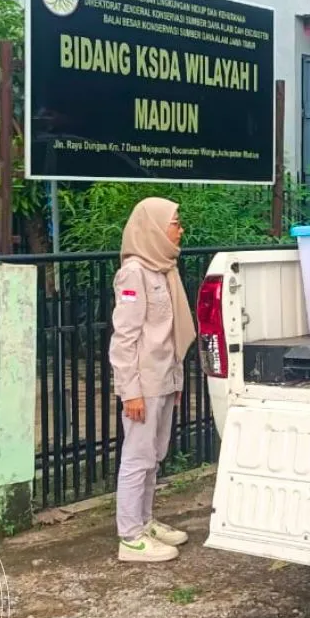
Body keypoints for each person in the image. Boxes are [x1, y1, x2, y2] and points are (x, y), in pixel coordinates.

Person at [109, 197, 196, 563]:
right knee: (138, 456)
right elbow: (125, 337)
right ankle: (130, 537)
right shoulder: (134, 272)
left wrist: (176, 380)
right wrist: (130, 391)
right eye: (174, 223)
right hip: (143, 384)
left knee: (155, 455)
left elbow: (169, 334)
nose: (180, 230)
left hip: (164, 378)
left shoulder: (163, 268)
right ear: (155, 228)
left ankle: (144, 522)